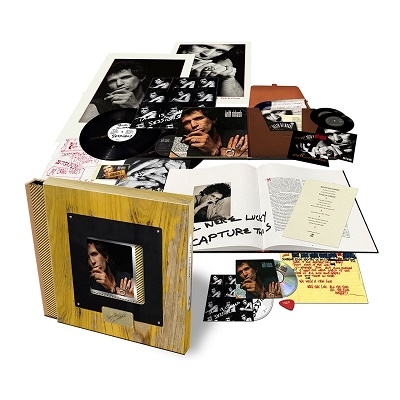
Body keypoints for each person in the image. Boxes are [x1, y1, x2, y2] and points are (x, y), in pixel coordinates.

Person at [80, 60, 148, 122]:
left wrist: (135, 107)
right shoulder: (97, 106)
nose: (119, 84)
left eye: (125, 77)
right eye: (112, 81)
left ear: (142, 77)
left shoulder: (154, 98)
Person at [177, 44, 244, 97]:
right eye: (203, 46)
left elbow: (238, 102)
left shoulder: (222, 62)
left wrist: (228, 79)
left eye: (220, 51)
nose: (207, 54)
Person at [179, 108, 248, 157]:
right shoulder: (190, 149)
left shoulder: (240, 136)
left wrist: (216, 151)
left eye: (198, 118)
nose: (193, 125)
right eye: (187, 123)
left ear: (213, 119)